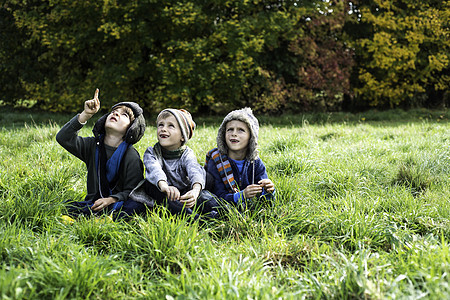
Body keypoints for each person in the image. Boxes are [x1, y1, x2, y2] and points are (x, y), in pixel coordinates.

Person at [56, 88, 147, 221]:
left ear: (132, 128)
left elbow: (134, 191)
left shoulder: (131, 155)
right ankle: (95, 216)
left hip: (118, 203)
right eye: (114, 111)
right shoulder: (92, 146)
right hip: (95, 203)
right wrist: (86, 114)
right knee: (69, 206)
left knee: (135, 207)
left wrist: (111, 199)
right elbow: (63, 138)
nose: (116, 113)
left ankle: (106, 218)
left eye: (125, 115)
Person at [129, 108, 221, 220]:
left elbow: (194, 169)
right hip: (164, 193)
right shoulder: (152, 152)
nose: (163, 129)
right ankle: (194, 219)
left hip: (185, 192)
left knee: (204, 192)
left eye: (170, 126)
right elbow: (154, 169)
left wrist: (195, 191)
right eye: (160, 125)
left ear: (183, 136)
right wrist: (165, 186)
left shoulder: (187, 153)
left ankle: (222, 210)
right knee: (150, 187)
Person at [205, 107, 275, 210]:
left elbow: (265, 200)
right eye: (230, 129)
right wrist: (242, 195)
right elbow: (218, 196)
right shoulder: (216, 161)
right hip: (219, 207)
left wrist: (269, 190)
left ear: (251, 137)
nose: (234, 133)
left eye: (241, 130)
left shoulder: (255, 162)